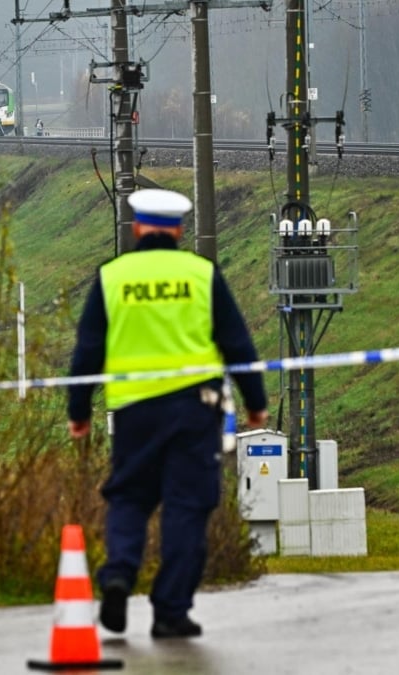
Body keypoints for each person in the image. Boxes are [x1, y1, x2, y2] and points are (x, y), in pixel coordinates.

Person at [67, 188, 269, 640]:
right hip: (193, 413)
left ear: (138, 227)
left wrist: (78, 410)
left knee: (130, 497)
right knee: (186, 506)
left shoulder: (111, 276)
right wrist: (255, 401)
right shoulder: (201, 274)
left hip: (133, 412)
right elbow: (237, 343)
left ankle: (118, 574)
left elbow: (88, 351)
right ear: (178, 230)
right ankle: (171, 610)